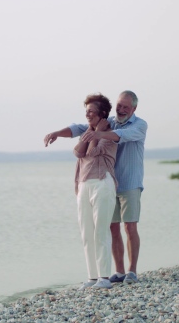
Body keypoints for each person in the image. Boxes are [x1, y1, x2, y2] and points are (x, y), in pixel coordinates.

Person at [44, 90, 147, 284]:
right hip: (110, 183)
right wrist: (58, 133)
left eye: (126, 106)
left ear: (134, 108)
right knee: (112, 228)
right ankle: (119, 271)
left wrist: (99, 133)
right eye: (119, 105)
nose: (122, 109)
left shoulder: (139, 125)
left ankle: (132, 271)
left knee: (130, 226)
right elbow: (79, 128)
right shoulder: (110, 122)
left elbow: (122, 135)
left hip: (129, 182)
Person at [71, 93, 117, 290]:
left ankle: (104, 278)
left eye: (91, 111)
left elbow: (91, 152)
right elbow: (78, 151)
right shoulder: (88, 132)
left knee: (101, 231)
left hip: (102, 182)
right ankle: (92, 278)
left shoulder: (111, 135)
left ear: (103, 114)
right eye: (86, 111)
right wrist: (91, 132)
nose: (87, 115)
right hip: (84, 184)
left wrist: (98, 132)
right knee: (86, 232)